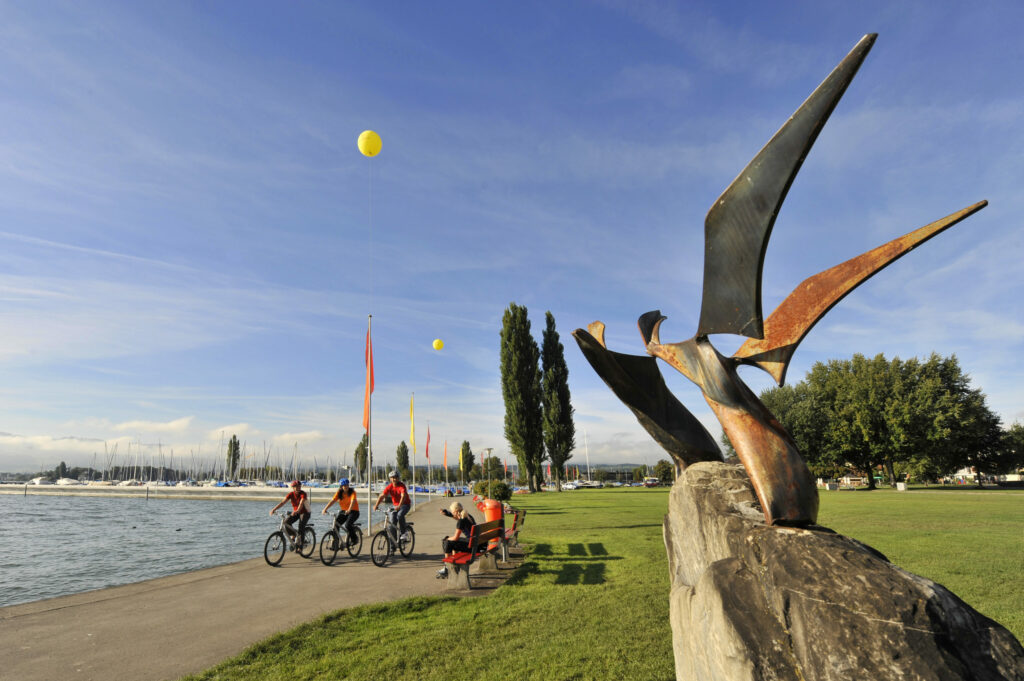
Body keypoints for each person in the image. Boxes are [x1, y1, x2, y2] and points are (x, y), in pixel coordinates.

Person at [435, 501, 476, 578]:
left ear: (456, 511)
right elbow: (454, 516)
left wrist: (446, 539)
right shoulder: (468, 516)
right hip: (476, 543)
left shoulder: (461, 521)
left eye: (452, 512)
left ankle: (448, 568)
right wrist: (447, 513)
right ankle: (454, 566)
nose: (452, 514)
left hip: (472, 546)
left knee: (448, 542)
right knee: (454, 542)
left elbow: (456, 537)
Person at [269, 480, 311, 550]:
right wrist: (274, 509)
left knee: (301, 527)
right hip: (296, 512)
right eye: (296, 486)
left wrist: (297, 510)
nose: (298, 487)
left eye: (299, 486)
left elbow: (301, 503)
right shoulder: (291, 494)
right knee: (286, 522)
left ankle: (301, 546)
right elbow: (283, 502)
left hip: (305, 512)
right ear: (293, 488)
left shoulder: (303, 494)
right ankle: (294, 534)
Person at [373, 470, 411, 537]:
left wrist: (399, 505)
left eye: (396, 477)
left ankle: (404, 533)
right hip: (395, 506)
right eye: (392, 478)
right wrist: (376, 505)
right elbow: (382, 496)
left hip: (405, 505)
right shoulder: (389, 487)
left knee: (399, 515)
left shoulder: (402, 486)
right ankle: (393, 545)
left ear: (398, 478)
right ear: (390, 479)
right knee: (392, 520)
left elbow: (403, 496)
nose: (394, 479)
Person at [322, 478, 359, 546]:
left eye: (347, 485)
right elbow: (332, 501)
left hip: (354, 511)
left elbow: (353, 501)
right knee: (336, 525)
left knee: (347, 525)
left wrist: (349, 509)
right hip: (344, 511)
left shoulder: (352, 492)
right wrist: (325, 509)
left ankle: (354, 539)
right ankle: (336, 542)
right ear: (341, 486)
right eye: (344, 485)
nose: (346, 487)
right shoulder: (339, 493)